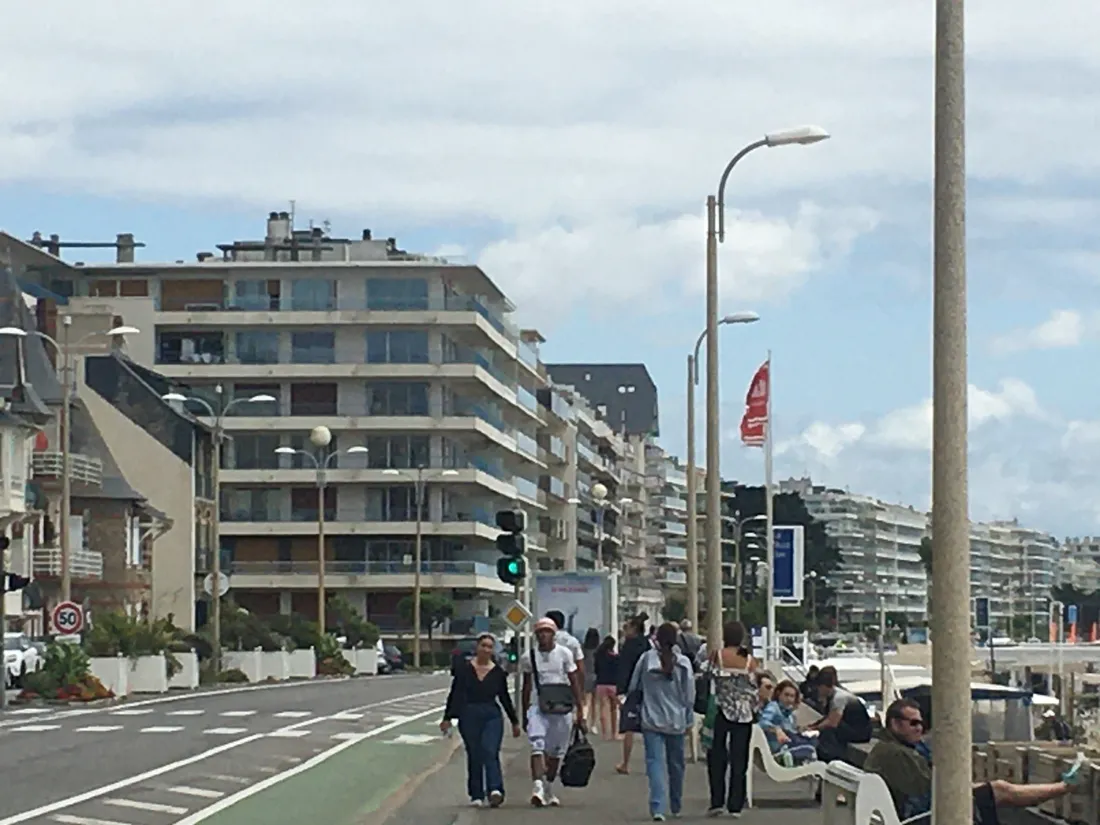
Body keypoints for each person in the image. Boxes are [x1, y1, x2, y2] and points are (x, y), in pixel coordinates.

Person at [864, 699, 1083, 824]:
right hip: (924, 817)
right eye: (913, 723)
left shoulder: (888, 749)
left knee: (996, 789)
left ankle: (1061, 787)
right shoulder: (895, 755)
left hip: (913, 812)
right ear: (895, 723)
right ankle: (1065, 787)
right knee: (1001, 790)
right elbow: (938, 792)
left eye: (921, 723)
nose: (920, 728)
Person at [441, 633, 521, 808]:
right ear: (477, 648)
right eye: (483, 645)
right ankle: (476, 794)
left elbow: (504, 697)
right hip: (469, 713)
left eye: (489, 647)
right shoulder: (464, 669)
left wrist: (514, 721)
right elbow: (455, 694)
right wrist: (447, 718)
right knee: (474, 754)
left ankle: (495, 789)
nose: (486, 649)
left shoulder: (498, 673)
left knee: (490, 750)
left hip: (491, 714)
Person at [630, 622, 695, 822]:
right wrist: (689, 718)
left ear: (656, 638)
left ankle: (657, 807)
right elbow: (689, 695)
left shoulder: (646, 659)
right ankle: (676, 804)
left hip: (651, 719)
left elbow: (634, 686)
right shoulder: (683, 663)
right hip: (676, 721)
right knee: (676, 765)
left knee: (655, 764)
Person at [521, 617, 586, 807]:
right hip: (538, 706)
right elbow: (526, 686)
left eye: (547, 631)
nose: (543, 635)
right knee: (537, 744)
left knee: (556, 751)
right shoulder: (529, 656)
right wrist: (524, 712)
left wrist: (580, 708)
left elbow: (574, 680)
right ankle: (538, 787)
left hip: (562, 707)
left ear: (554, 634)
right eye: (540, 632)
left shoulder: (565, 654)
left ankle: (549, 786)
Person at [702, 620, 758, 818]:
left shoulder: (717, 656)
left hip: (721, 710)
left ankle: (717, 801)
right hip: (744, 715)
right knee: (739, 759)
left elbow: (706, 675)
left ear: (725, 636)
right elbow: (755, 688)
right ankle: (735, 805)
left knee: (717, 757)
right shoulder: (750, 660)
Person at [805, 665, 872, 761]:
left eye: (819, 688)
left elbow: (833, 721)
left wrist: (814, 728)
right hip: (853, 727)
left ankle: (832, 757)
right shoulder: (834, 695)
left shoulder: (839, 698)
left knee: (829, 730)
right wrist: (813, 725)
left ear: (823, 687)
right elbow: (828, 717)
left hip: (861, 733)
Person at [616, 614, 652, 774]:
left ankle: (625, 762)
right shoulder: (647, 645)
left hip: (632, 690)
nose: (624, 631)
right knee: (650, 726)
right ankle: (653, 760)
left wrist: (620, 692)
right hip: (650, 689)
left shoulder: (628, 647)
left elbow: (623, 670)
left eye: (626, 628)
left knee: (629, 727)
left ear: (634, 629)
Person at [757, 680, 817, 765]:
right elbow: (762, 723)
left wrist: (800, 729)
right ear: (778, 694)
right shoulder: (774, 706)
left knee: (814, 739)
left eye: (792, 696)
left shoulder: (790, 715)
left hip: (790, 742)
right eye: (786, 695)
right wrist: (776, 729)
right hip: (779, 747)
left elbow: (791, 730)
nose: (789, 699)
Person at [593, 635, 620, 741]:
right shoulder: (616, 657)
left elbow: (596, 670)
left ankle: (605, 734)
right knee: (613, 709)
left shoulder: (598, 656)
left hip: (601, 683)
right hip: (613, 684)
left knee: (603, 708)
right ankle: (615, 733)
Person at [582, 627, 601, 733]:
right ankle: (593, 724)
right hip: (596, 675)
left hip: (585, 675)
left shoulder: (583, 649)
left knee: (586, 700)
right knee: (594, 702)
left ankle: (584, 716)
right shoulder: (598, 650)